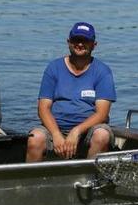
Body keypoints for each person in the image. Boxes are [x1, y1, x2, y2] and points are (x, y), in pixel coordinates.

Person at [26, 22, 116, 162]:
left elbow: (102, 114)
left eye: (85, 41)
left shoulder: (103, 72)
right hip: (55, 127)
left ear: (94, 45)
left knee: (102, 135)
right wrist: (56, 134)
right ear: (69, 42)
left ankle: (91, 178)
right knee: (35, 138)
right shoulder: (53, 68)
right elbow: (43, 108)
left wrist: (76, 131)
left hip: (88, 130)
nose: (80, 44)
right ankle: (29, 181)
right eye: (76, 40)